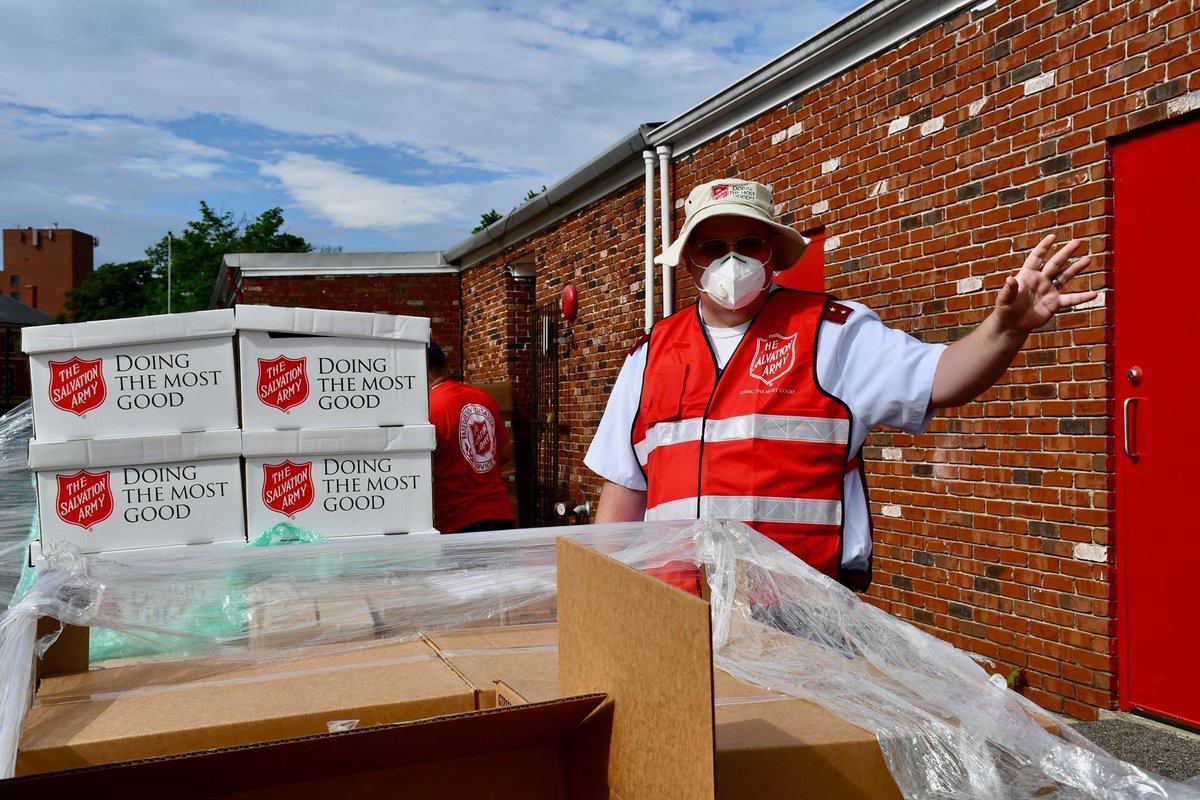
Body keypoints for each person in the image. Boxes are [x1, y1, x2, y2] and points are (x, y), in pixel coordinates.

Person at [584, 178, 1095, 589]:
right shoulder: (651, 353)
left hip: (802, 609)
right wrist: (603, 595)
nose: (730, 260)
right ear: (690, 257)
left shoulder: (834, 332)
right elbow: (625, 490)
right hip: (674, 606)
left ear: (772, 253)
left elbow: (940, 379)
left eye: (748, 243)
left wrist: (1002, 330)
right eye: (713, 246)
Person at [427, 342, 516, 533]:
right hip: (500, 514)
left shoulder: (428, 407)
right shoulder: (483, 397)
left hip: (457, 520)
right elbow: (505, 453)